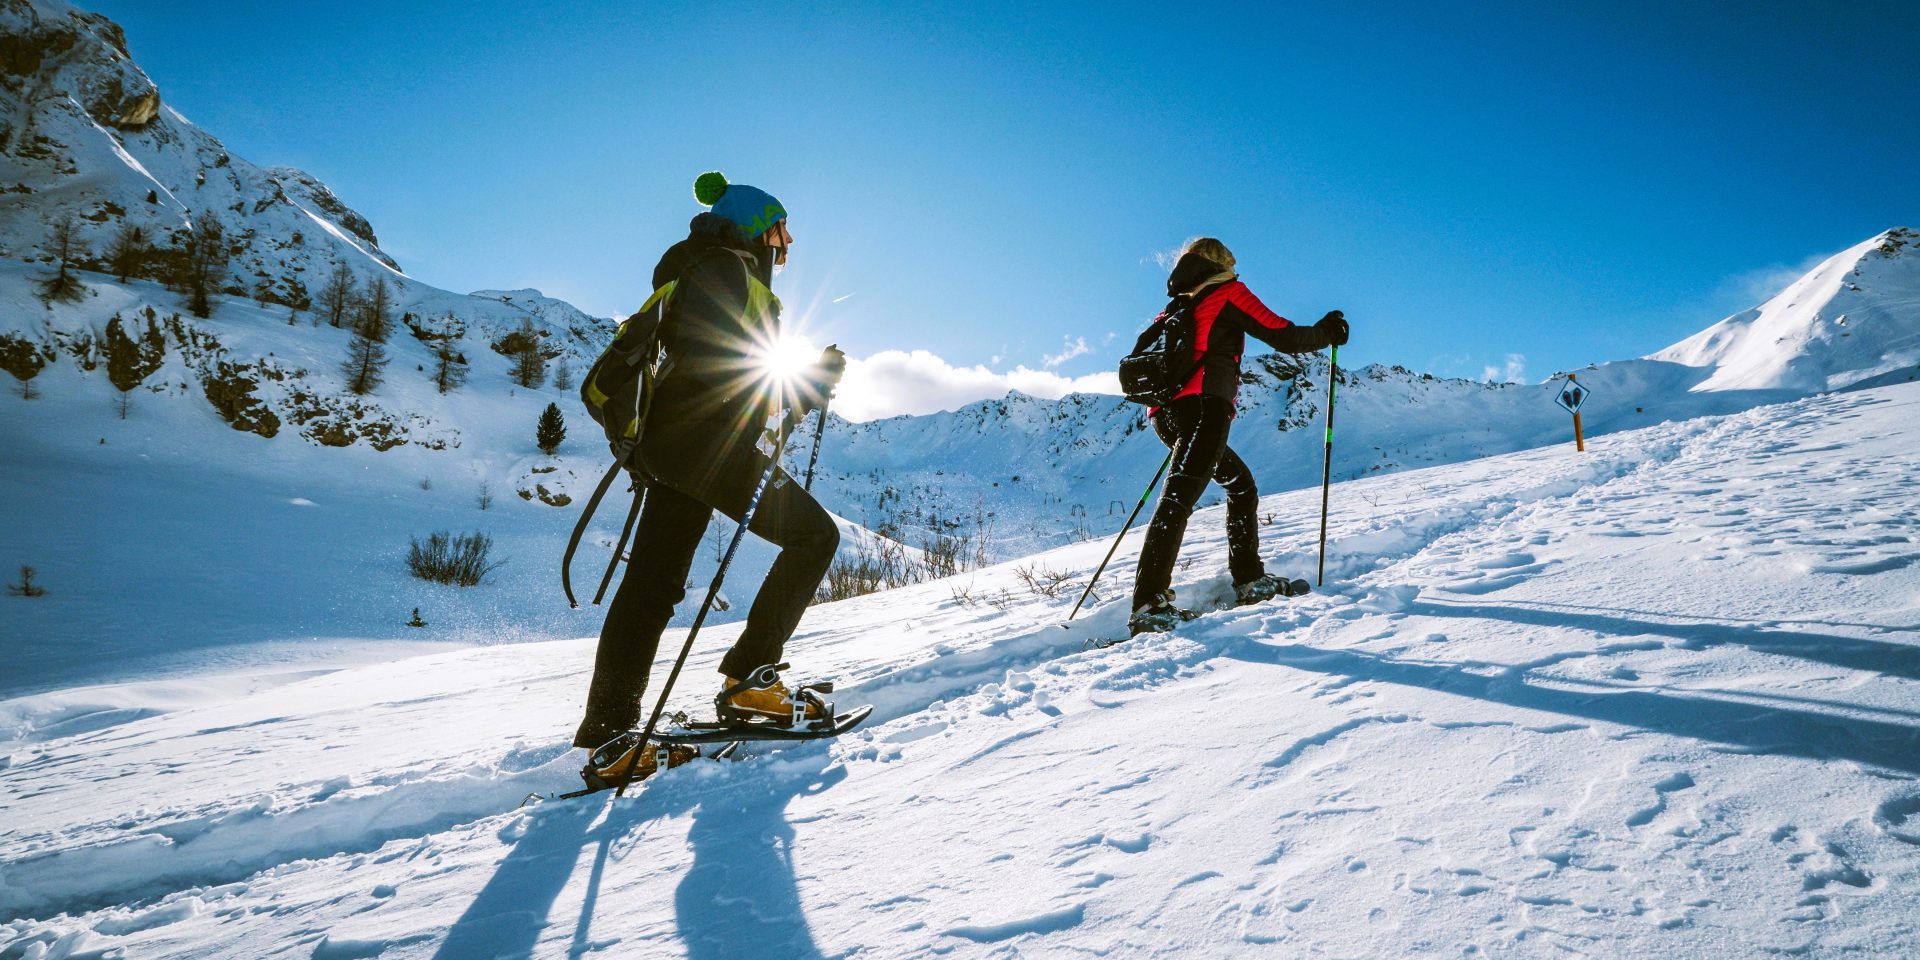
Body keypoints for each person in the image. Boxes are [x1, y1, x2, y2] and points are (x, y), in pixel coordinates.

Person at [574, 171, 846, 779]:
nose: (788, 244)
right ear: (757, 225)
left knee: (652, 586)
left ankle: (611, 730)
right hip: (706, 449)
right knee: (815, 537)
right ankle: (749, 680)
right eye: (782, 229)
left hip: (673, 450)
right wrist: (808, 383)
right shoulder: (728, 271)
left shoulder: (695, 268)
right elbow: (731, 378)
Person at [1127, 237, 1349, 637]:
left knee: (1241, 487)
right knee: (1178, 500)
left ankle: (1248, 580)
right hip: (1203, 410)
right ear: (1223, 263)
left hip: (1165, 414)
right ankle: (1148, 605)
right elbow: (1283, 335)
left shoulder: (1180, 301)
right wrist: (1327, 332)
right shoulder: (1228, 291)